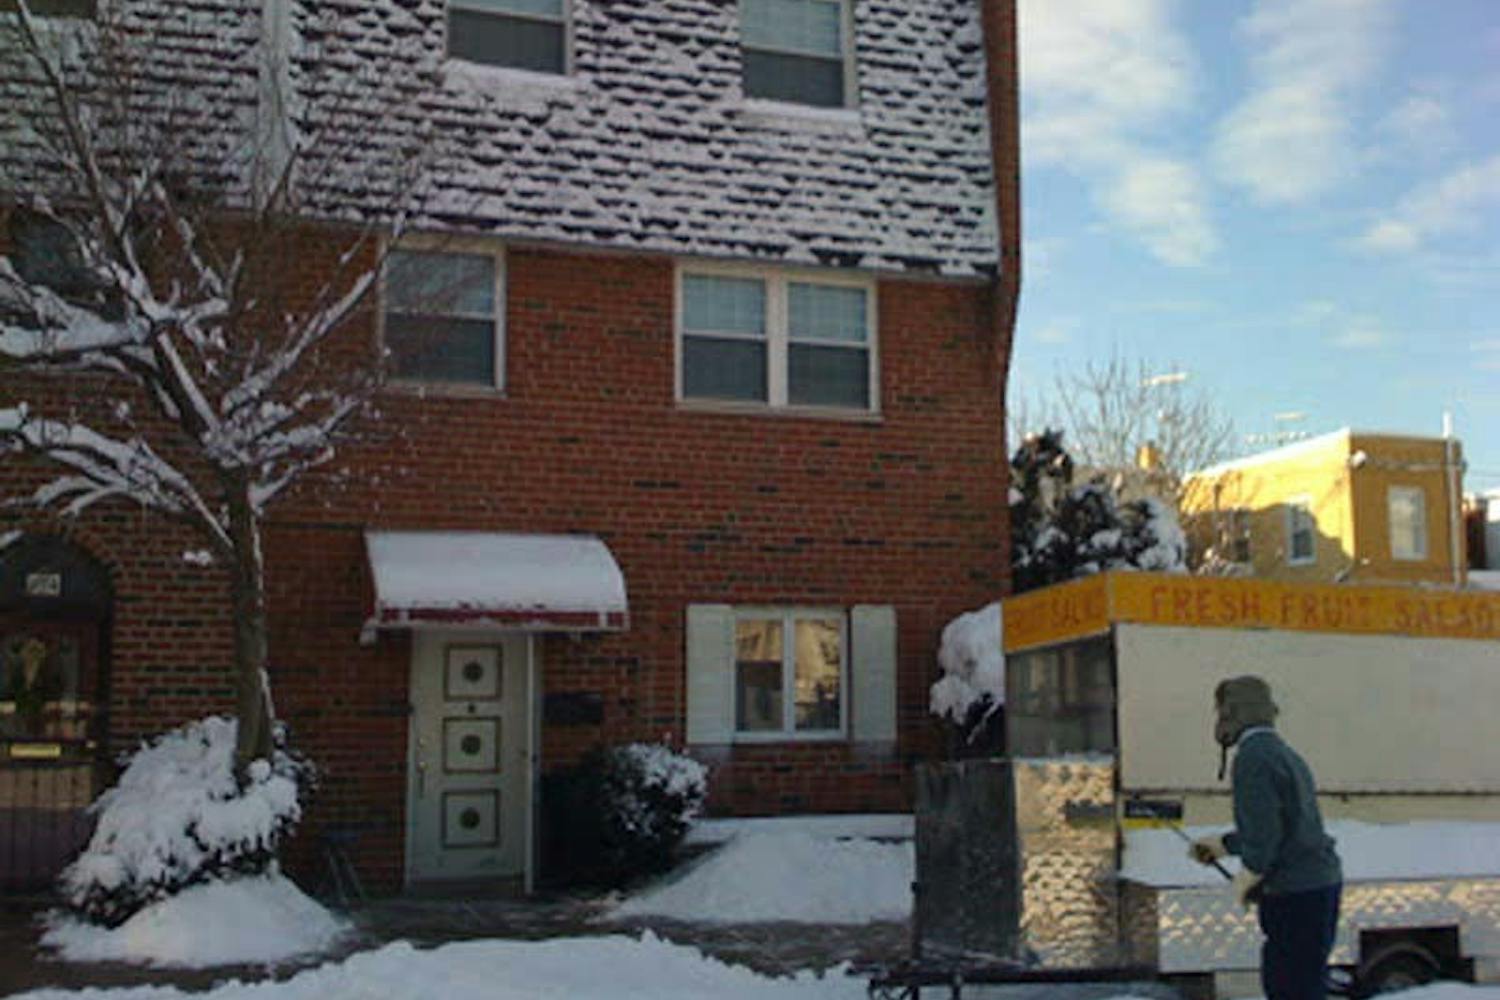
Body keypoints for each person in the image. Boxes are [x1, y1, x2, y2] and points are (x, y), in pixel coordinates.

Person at [1189, 675, 1343, 1000]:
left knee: (1288, 988)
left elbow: (1265, 836)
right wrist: (1222, 845)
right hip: (1318, 886)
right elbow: (1285, 826)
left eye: (1221, 712)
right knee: (1306, 984)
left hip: (1294, 894)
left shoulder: (1253, 758)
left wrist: (1249, 876)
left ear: (1233, 712)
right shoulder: (1283, 752)